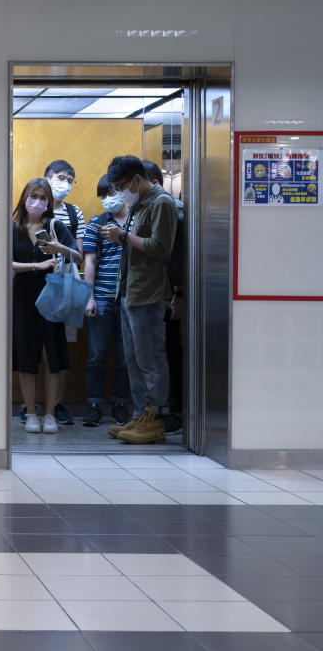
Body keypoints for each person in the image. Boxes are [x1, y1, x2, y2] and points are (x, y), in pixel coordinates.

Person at [102, 156, 179, 444]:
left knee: (151, 360)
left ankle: (156, 418)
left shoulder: (162, 204)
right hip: (130, 291)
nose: (120, 192)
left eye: (122, 186)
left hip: (148, 293)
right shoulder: (138, 204)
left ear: (136, 179)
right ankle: (140, 414)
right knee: (133, 359)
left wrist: (123, 236)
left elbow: (161, 248)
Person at [11, 178, 82, 434]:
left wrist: (59, 248)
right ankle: (30, 412)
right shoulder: (14, 228)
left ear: (49, 202)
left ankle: (50, 413)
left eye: (43, 198)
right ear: (24, 198)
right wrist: (35, 266)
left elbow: (78, 256)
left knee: (51, 355)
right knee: (26, 356)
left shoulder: (56, 225)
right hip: (22, 298)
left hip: (52, 297)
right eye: (33, 196)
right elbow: (5, 262)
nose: (37, 202)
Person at [81, 175, 130, 427]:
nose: (108, 199)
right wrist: (89, 297)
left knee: (125, 354)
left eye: (112, 192)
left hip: (130, 295)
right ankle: (94, 404)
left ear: (123, 191)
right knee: (96, 353)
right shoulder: (96, 223)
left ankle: (121, 403)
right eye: (103, 195)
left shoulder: (136, 220)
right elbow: (89, 260)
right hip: (101, 294)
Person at [143, 160, 184, 436]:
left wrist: (178, 294)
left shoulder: (170, 209)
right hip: (163, 292)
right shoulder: (155, 207)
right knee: (163, 353)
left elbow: (175, 257)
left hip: (171, 294)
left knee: (170, 353)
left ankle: (173, 410)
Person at [43, 159, 85, 426]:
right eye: (60, 177)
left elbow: (79, 255)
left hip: (66, 283)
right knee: (35, 345)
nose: (65, 184)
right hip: (37, 280)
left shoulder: (74, 213)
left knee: (63, 345)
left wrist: (60, 250)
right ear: (47, 177)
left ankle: (57, 404)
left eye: (70, 180)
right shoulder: (33, 208)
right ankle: (30, 404)